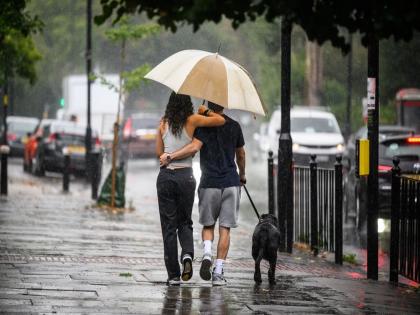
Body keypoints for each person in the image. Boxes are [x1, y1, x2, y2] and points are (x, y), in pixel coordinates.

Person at [160, 101, 246, 286]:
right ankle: (218, 272)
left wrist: (171, 156)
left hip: (209, 182)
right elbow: (241, 154)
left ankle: (207, 252)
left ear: (208, 104)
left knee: (208, 225)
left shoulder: (202, 126)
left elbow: (194, 148)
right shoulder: (234, 126)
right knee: (225, 229)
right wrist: (242, 175)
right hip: (231, 182)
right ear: (224, 105)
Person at [156, 92, 225, 286]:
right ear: (188, 104)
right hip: (186, 176)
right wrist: (206, 111)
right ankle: (187, 255)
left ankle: (173, 275)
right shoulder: (193, 119)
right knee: (185, 222)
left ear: (170, 104)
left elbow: (159, 153)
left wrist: (169, 153)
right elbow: (220, 120)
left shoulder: (162, 123)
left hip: (166, 177)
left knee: (168, 227)